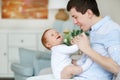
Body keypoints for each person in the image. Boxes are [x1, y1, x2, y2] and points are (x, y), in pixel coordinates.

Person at [67, 0, 120, 80]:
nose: (74, 22)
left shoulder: (111, 29)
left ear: (89, 13)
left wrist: (87, 49)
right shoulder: (93, 30)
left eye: (76, 17)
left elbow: (117, 68)